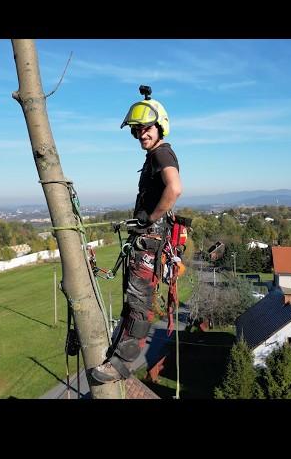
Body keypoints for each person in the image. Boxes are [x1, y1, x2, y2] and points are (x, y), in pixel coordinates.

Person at [91, 86, 182, 384]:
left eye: (146, 128)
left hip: (149, 242)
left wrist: (151, 218)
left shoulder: (162, 153)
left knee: (139, 303)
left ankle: (120, 364)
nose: (141, 134)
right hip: (147, 239)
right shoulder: (154, 155)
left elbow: (175, 188)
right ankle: (118, 351)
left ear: (160, 127)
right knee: (132, 302)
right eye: (137, 131)